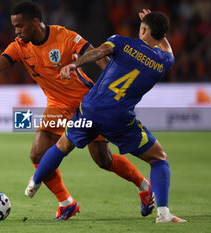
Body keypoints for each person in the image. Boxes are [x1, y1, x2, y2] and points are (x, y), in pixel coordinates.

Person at [0, 1, 153, 220]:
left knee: (103, 160)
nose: (17, 31)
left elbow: (100, 57)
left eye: (20, 26)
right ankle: (66, 203)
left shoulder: (64, 36)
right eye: (14, 27)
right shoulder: (19, 47)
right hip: (57, 108)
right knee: (38, 154)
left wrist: (113, 89)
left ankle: (144, 185)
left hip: (86, 105)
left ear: (35, 22)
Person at [25, 9, 188, 223]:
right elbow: (167, 48)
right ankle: (164, 213)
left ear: (142, 29)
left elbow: (99, 52)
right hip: (119, 117)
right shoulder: (164, 61)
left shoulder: (121, 42)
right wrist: (158, 31)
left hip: (90, 107)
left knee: (62, 146)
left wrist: (75, 63)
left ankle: (35, 181)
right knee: (158, 158)